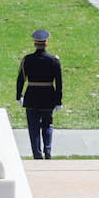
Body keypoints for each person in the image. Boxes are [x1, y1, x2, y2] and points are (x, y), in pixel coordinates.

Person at [15, 27, 62, 160]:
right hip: (48, 96)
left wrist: (19, 95)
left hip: (32, 96)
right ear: (46, 43)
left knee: (33, 127)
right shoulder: (54, 60)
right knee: (48, 124)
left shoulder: (27, 59)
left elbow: (21, 79)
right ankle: (47, 151)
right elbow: (59, 83)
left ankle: (37, 154)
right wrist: (58, 101)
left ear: (35, 43)